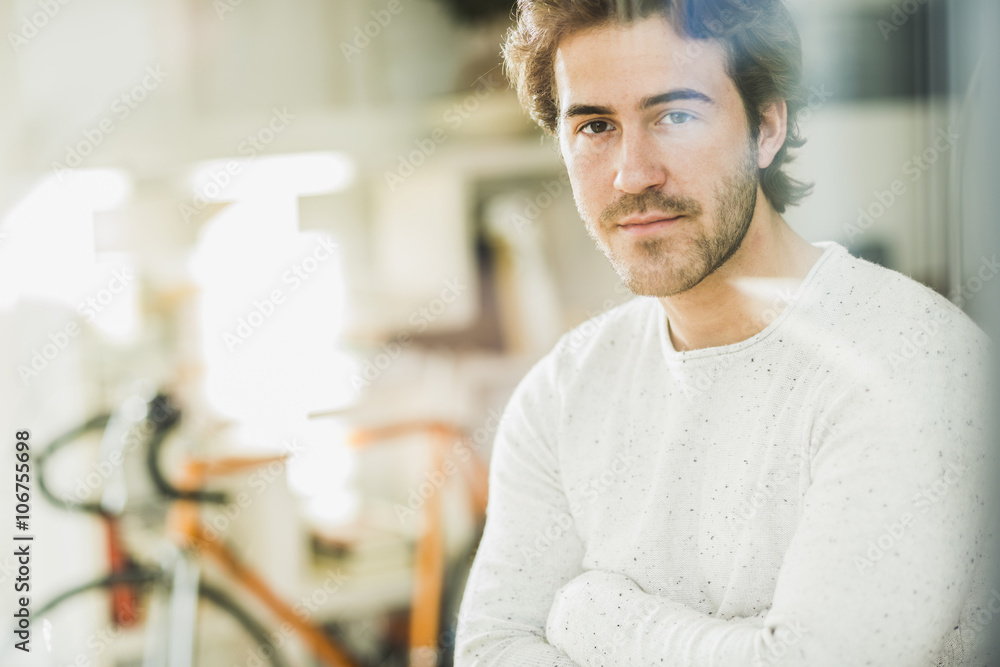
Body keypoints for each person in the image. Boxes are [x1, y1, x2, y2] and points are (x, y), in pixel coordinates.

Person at [454, 0, 996, 665]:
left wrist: (595, 616)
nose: (633, 173)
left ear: (766, 127)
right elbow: (490, 649)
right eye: (595, 126)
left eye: (675, 115)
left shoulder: (912, 365)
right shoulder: (562, 394)